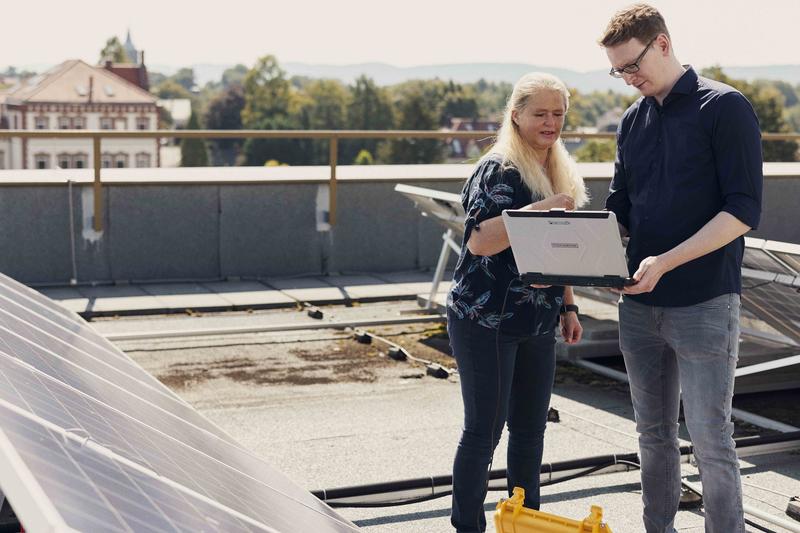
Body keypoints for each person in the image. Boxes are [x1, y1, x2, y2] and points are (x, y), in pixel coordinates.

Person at [599, 4, 763, 533]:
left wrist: (665, 262)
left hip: (706, 302)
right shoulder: (632, 119)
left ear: (663, 44)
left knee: (712, 440)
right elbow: (621, 210)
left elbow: (742, 212)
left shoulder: (726, 107)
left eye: (633, 65)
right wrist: (572, 238)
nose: (629, 78)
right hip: (638, 305)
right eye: (619, 71)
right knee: (652, 434)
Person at [446, 72, 589, 533]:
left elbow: (562, 248)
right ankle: (468, 526)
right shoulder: (499, 168)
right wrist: (537, 211)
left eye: (558, 113)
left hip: (537, 320)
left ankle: (526, 525)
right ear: (516, 115)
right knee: (484, 432)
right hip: (483, 318)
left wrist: (568, 306)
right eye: (540, 113)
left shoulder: (558, 168)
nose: (551, 122)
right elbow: (480, 241)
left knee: (530, 433)